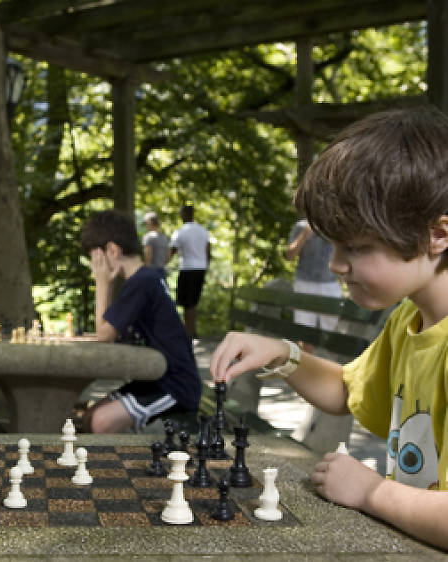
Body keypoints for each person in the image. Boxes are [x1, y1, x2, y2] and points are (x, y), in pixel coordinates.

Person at [210, 107, 448, 550]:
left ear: (437, 234)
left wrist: (372, 492)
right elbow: (348, 392)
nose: (337, 264)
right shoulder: (407, 319)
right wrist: (283, 355)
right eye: (333, 244)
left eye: (357, 247)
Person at [80, 209, 201, 433]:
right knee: (88, 418)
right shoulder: (144, 279)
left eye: (96, 259)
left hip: (175, 386)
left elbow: (103, 335)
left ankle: (115, 467)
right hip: (155, 379)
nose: (94, 267)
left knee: (100, 422)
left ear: (112, 250)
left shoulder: (142, 282)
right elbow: (108, 331)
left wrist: (102, 283)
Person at [285, 217, 341, 351]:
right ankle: (306, 367)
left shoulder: (336, 224)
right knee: (304, 334)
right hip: (304, 284)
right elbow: (289, 256)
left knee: (332, 333)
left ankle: (327, 367)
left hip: (330, 285)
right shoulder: (301, 225)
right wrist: (304, 235)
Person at [168, 205, 211, 341]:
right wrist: (205, 268)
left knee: (188, 303)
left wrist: (158, 264)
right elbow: (208, 251)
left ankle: (189, 334)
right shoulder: (203, 230)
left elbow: (171, 252)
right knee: (192, 302)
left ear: (183, 215)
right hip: (200, 268)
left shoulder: (180, 232)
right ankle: (191, 330)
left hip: (187, 268)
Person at [141, 211, 169, 277]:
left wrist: (144, 271)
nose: (145, 226)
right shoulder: (164, 237)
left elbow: (147, 257)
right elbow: (168, 257)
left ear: (150, 222)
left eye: (145, 223)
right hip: (162, 270)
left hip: (151, 271)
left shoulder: (148, 237)